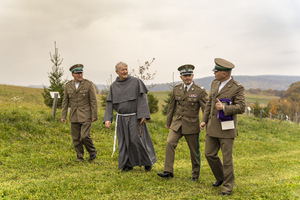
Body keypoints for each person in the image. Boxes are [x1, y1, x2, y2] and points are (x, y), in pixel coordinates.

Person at [200, 58, 246, 196]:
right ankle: (220, 177)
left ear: (224, 74)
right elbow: (209, 103)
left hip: (227, 128)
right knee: (209, 154)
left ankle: (227, 187)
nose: (214, 73)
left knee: (227, 159)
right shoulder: (214, 83)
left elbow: (241, 107)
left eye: (217, 71)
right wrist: (204, 120)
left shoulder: (237, 87)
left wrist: (225, 107)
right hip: (212, 126)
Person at [103, 61, 157, 172]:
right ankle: (127, 164)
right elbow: (109, 103)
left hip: (134, 117)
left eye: (126, 69)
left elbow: (142, 99)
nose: (125, 71)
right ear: (117, 72)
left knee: (137, 139)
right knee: (124, 141)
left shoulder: (136, 82)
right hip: (122, 118)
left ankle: (147, 162)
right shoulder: (114, 86)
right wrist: (108, 119)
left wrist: (143, 114)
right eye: (122, 70)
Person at [157, 64, 207, 181]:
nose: (187, 78)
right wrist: (168, 121)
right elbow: (171, 107)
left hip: (192, 124)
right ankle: (168, 171)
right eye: (185, 76)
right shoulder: (177, 89)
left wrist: (205, 121)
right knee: (170, 143)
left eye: (189, 75)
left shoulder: (200, 91)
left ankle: (195, 175)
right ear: (181, 77)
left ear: (193, 75)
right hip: (177, 123)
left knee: (194, 151)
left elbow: (206, 108)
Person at [61, 64, 98, 162]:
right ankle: (80, 157)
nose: (80, 75)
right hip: (74, 115)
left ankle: (92, 151)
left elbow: (93, 101)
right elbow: (65, 102)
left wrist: (94, 115)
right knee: (76, 138)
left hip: (86, 115)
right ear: (73, 74)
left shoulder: (88, 85)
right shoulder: (68, 86)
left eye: (81, 73)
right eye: (77, 73)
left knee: (84, 136)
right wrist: (63, 116)